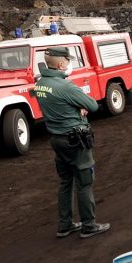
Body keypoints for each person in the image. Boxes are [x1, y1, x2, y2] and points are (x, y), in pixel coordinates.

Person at [33, 46, 111, 239]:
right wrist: (80, 107)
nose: (69, 65)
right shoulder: (66, 86)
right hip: (75, 140)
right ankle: (88, 225)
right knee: (84, 183)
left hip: (56, 139)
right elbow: (92, 105)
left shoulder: (41, 84)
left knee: (65, 182)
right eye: (68, 61)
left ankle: (65, 225)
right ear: (61, 64)